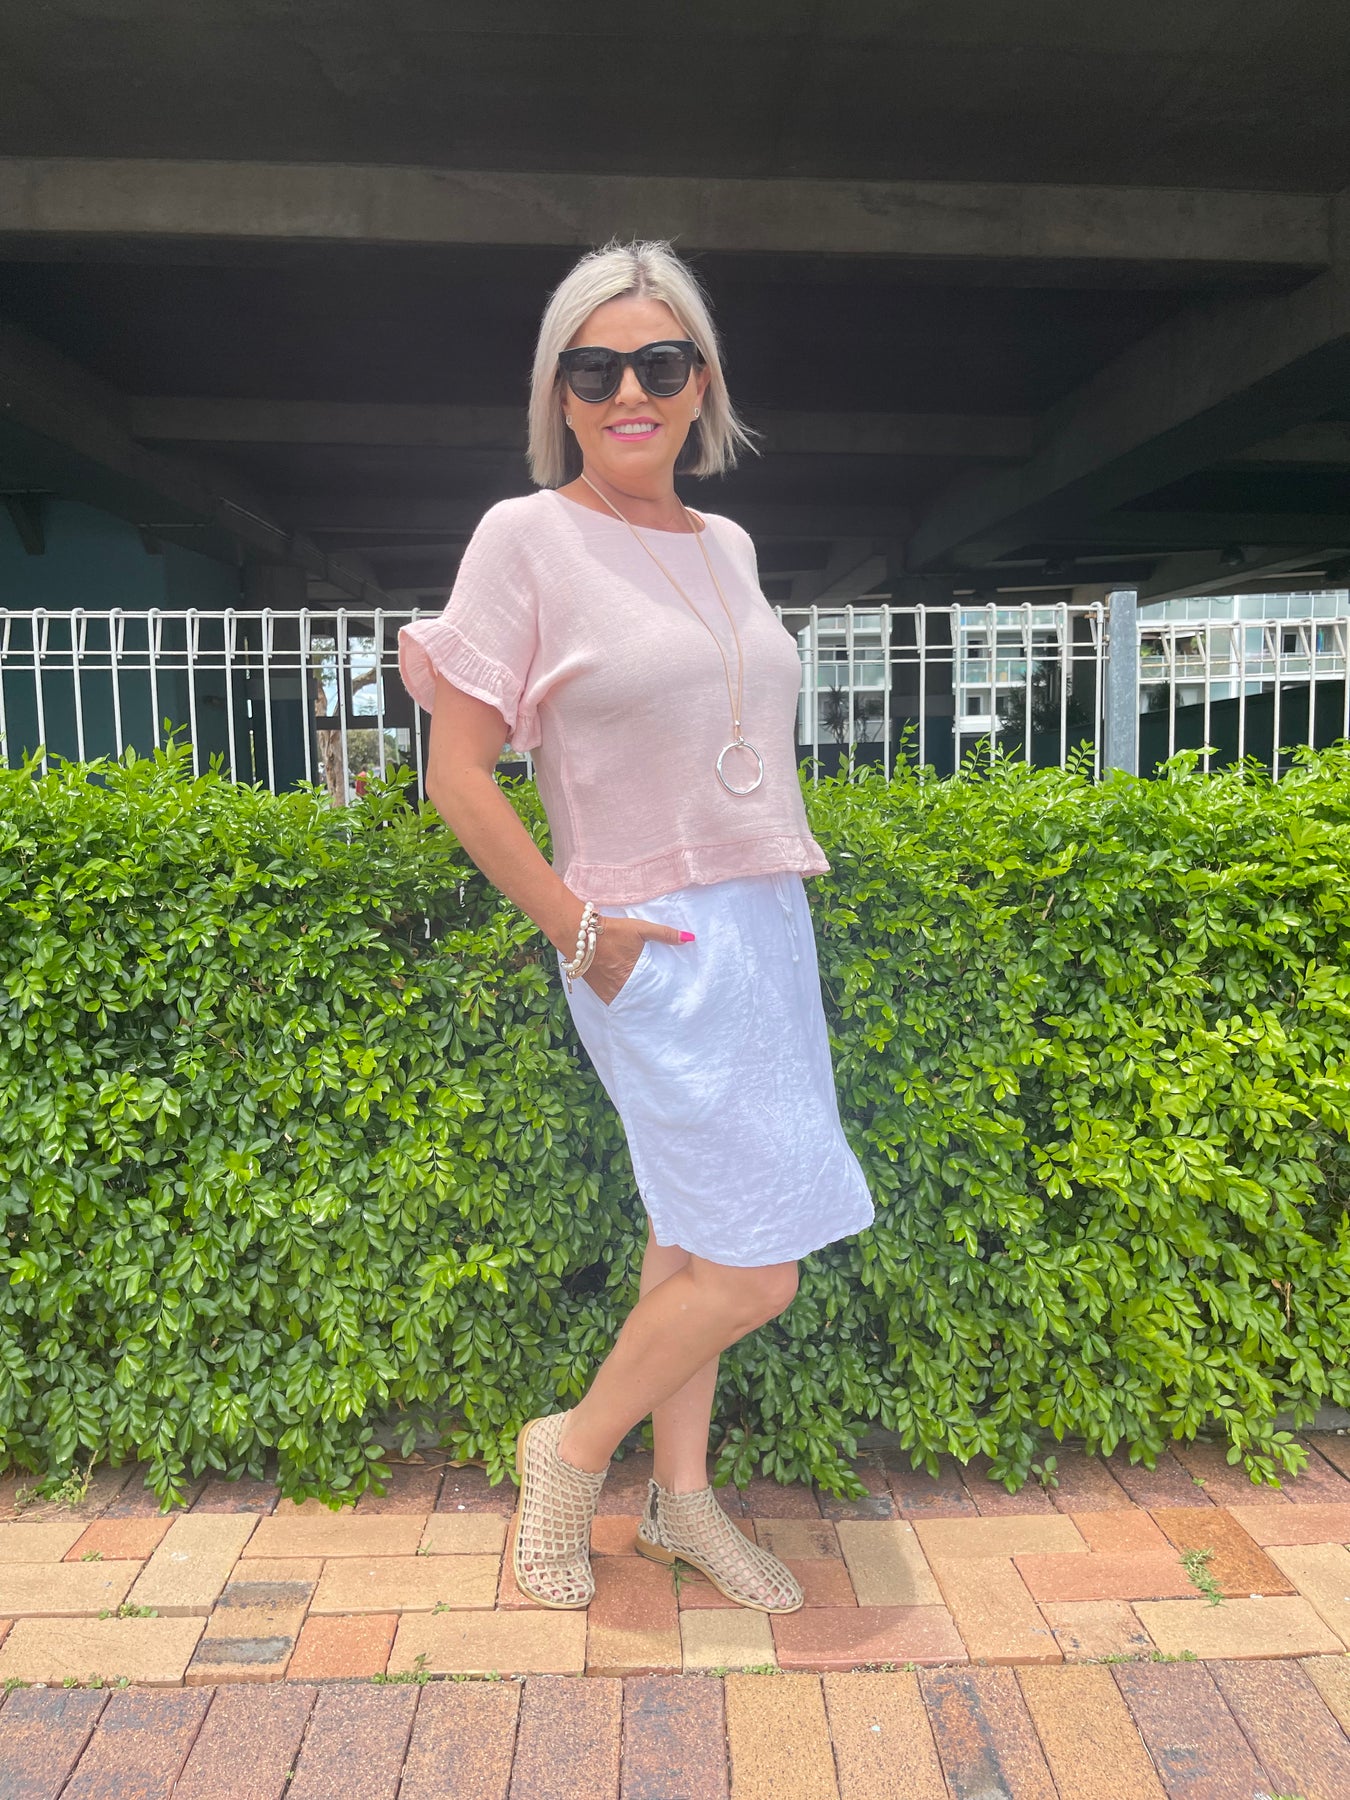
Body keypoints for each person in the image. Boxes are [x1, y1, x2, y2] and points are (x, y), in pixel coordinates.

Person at [398, 238, 874, 1614]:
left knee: (695, 1238)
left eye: (658, 365)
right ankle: (570, 1451)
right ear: (557, 391)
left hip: (765, 922)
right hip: (644, 939)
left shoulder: (729, 546)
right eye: (594, 368)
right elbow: (455, 772)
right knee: (757, 1269)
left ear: (698, 383)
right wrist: (578, 927)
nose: (628, 393)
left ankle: (680, 1502)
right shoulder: (525, 538)